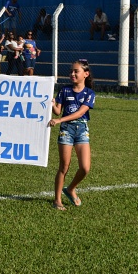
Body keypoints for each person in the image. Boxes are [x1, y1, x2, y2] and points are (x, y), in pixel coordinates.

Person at [49, 59, 95, 211]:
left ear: (86, 74)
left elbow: (81, 112)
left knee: (85, 167)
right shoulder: (64, 90)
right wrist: (52, 103)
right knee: (64, 167)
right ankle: (57, 200)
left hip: (81, 129)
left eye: (76, 71)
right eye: (71, 71)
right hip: (66, 130)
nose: (72, 74)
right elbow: (57, 110)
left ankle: (70, 189)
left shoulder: (90, 93)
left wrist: (60, 119)